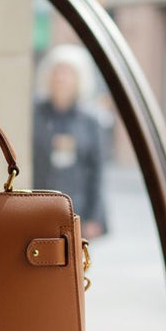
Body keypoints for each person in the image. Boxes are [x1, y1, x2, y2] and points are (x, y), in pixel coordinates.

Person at [32, 44, 107, 239]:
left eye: (67, 73)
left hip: (75, 208)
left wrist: (95, 216)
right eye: (57, 72)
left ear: (78, 78)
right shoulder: (34, 114)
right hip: (38, 204)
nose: (61, 78)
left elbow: (97, 170)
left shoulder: (90, 120)